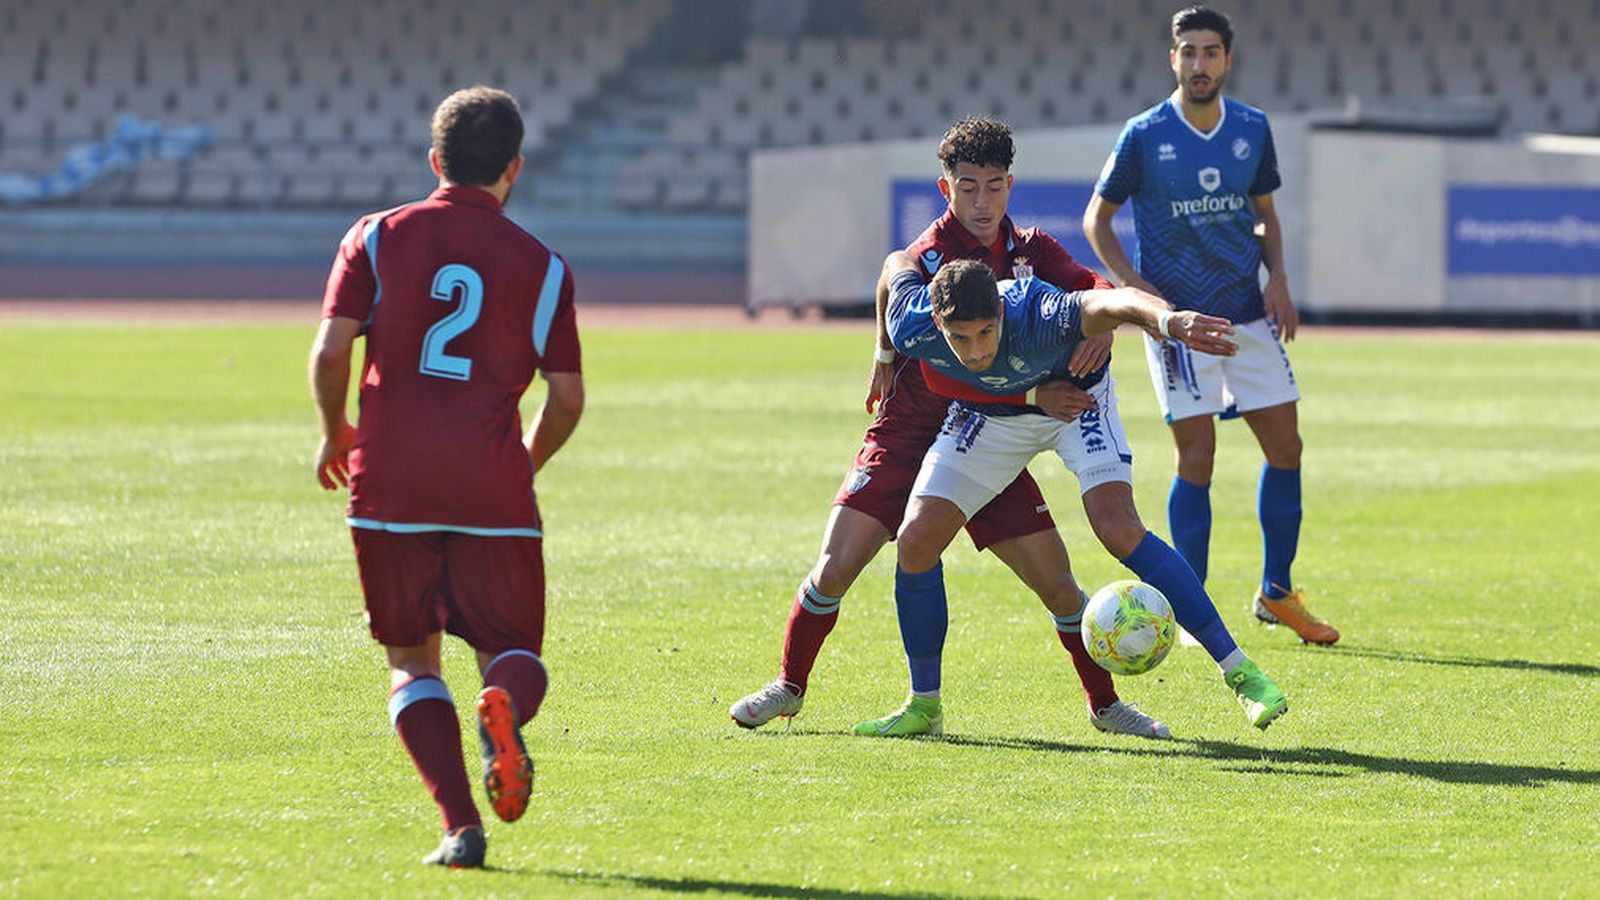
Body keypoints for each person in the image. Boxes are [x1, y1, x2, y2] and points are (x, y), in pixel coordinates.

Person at [730, 117, 1170, 741]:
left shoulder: (1029, 250)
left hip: (985, 432)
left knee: (1058, 584)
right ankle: (791, 687)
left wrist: (1100, 329)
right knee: (834, 566)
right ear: (947, 190)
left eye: (993, 187)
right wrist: (884, 355)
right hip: (910, 431)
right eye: (968, 188)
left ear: (1010, 186)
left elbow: (1094, 289)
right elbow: (890, 271)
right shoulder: (930, 255)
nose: (981, 203)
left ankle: (1105, 706)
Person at [309, 86, 583, 870]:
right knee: (512, 650)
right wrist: (520, 462)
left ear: (435, 162)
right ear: (514, 170)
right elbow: (566, 398)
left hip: (388, 481)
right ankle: (502, 705)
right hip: (491, 486)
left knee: (410, 657)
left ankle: (461, 827)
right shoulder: (543, 267)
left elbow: (330, 352)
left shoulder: (374, 236)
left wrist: (336, 432)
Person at [881, 252, 1291, 730]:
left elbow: (1117, 301)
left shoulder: (1040, 313)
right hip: (991, 421)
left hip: (1078, 406)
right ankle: (925, 706)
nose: (974, 352)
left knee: (1117, 527)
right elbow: (895, 265)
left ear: (1000, 313)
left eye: (986, 333)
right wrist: (883, 353)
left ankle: (1242, 674)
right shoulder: (915, 322)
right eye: (959, 340)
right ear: (937, 324)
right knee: (915, 541)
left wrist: (1169, 320)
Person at [1083, 5, 1338, 645]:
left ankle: (1276, 592)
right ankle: (1193, 609)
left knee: (1288, 448)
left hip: (1247, 317)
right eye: (1188, 53)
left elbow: (1264, 217)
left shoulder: (1252, 128)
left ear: (1227, 59)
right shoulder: (1144, 134)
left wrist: (1277, 277)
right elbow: (1097, 219)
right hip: (1181, 326)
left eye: (1211, 52)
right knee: (1198, 458)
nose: (1200, 64)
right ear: (1173, 59)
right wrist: (1139, 293)